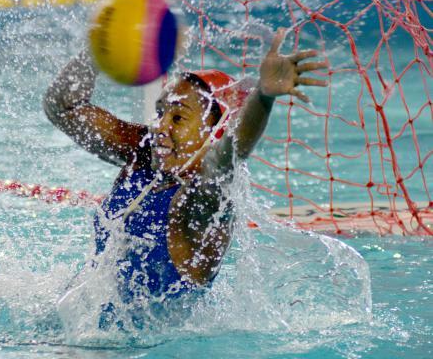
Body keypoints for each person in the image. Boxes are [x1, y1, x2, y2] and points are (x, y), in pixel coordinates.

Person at [44, 28, 327, 325]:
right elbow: (62, 108)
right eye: (160, 112)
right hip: (76, 323)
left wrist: (263, 97)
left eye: (178, 117)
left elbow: (228, 157)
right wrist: (95, 55)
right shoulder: (143, 157)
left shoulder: (201, 203)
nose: (159, 126)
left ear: (215, 133)